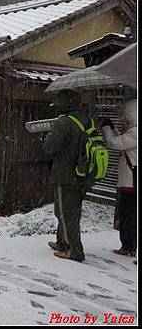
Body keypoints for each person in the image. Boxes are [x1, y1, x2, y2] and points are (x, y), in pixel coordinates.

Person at [43, 90, 90, 262]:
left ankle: (74, 251)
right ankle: (62, 241)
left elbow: (50, 148)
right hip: (83, 173)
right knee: (71, 210)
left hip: (66, 174)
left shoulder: (63, 122)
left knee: (64, 212)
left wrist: (47, 137)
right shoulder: (86, 119)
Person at [99, 98, 137, 257]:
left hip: (131, 181)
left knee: (128, 215)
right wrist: (113, 127)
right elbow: (122, 142)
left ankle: (128, 246)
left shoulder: (136, 132)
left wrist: (106, 127)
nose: (124, 119)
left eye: (126, 116)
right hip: (130, 181)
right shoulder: (133, 132)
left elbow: (113, 144)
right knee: (130, 214)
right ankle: (129, 245)